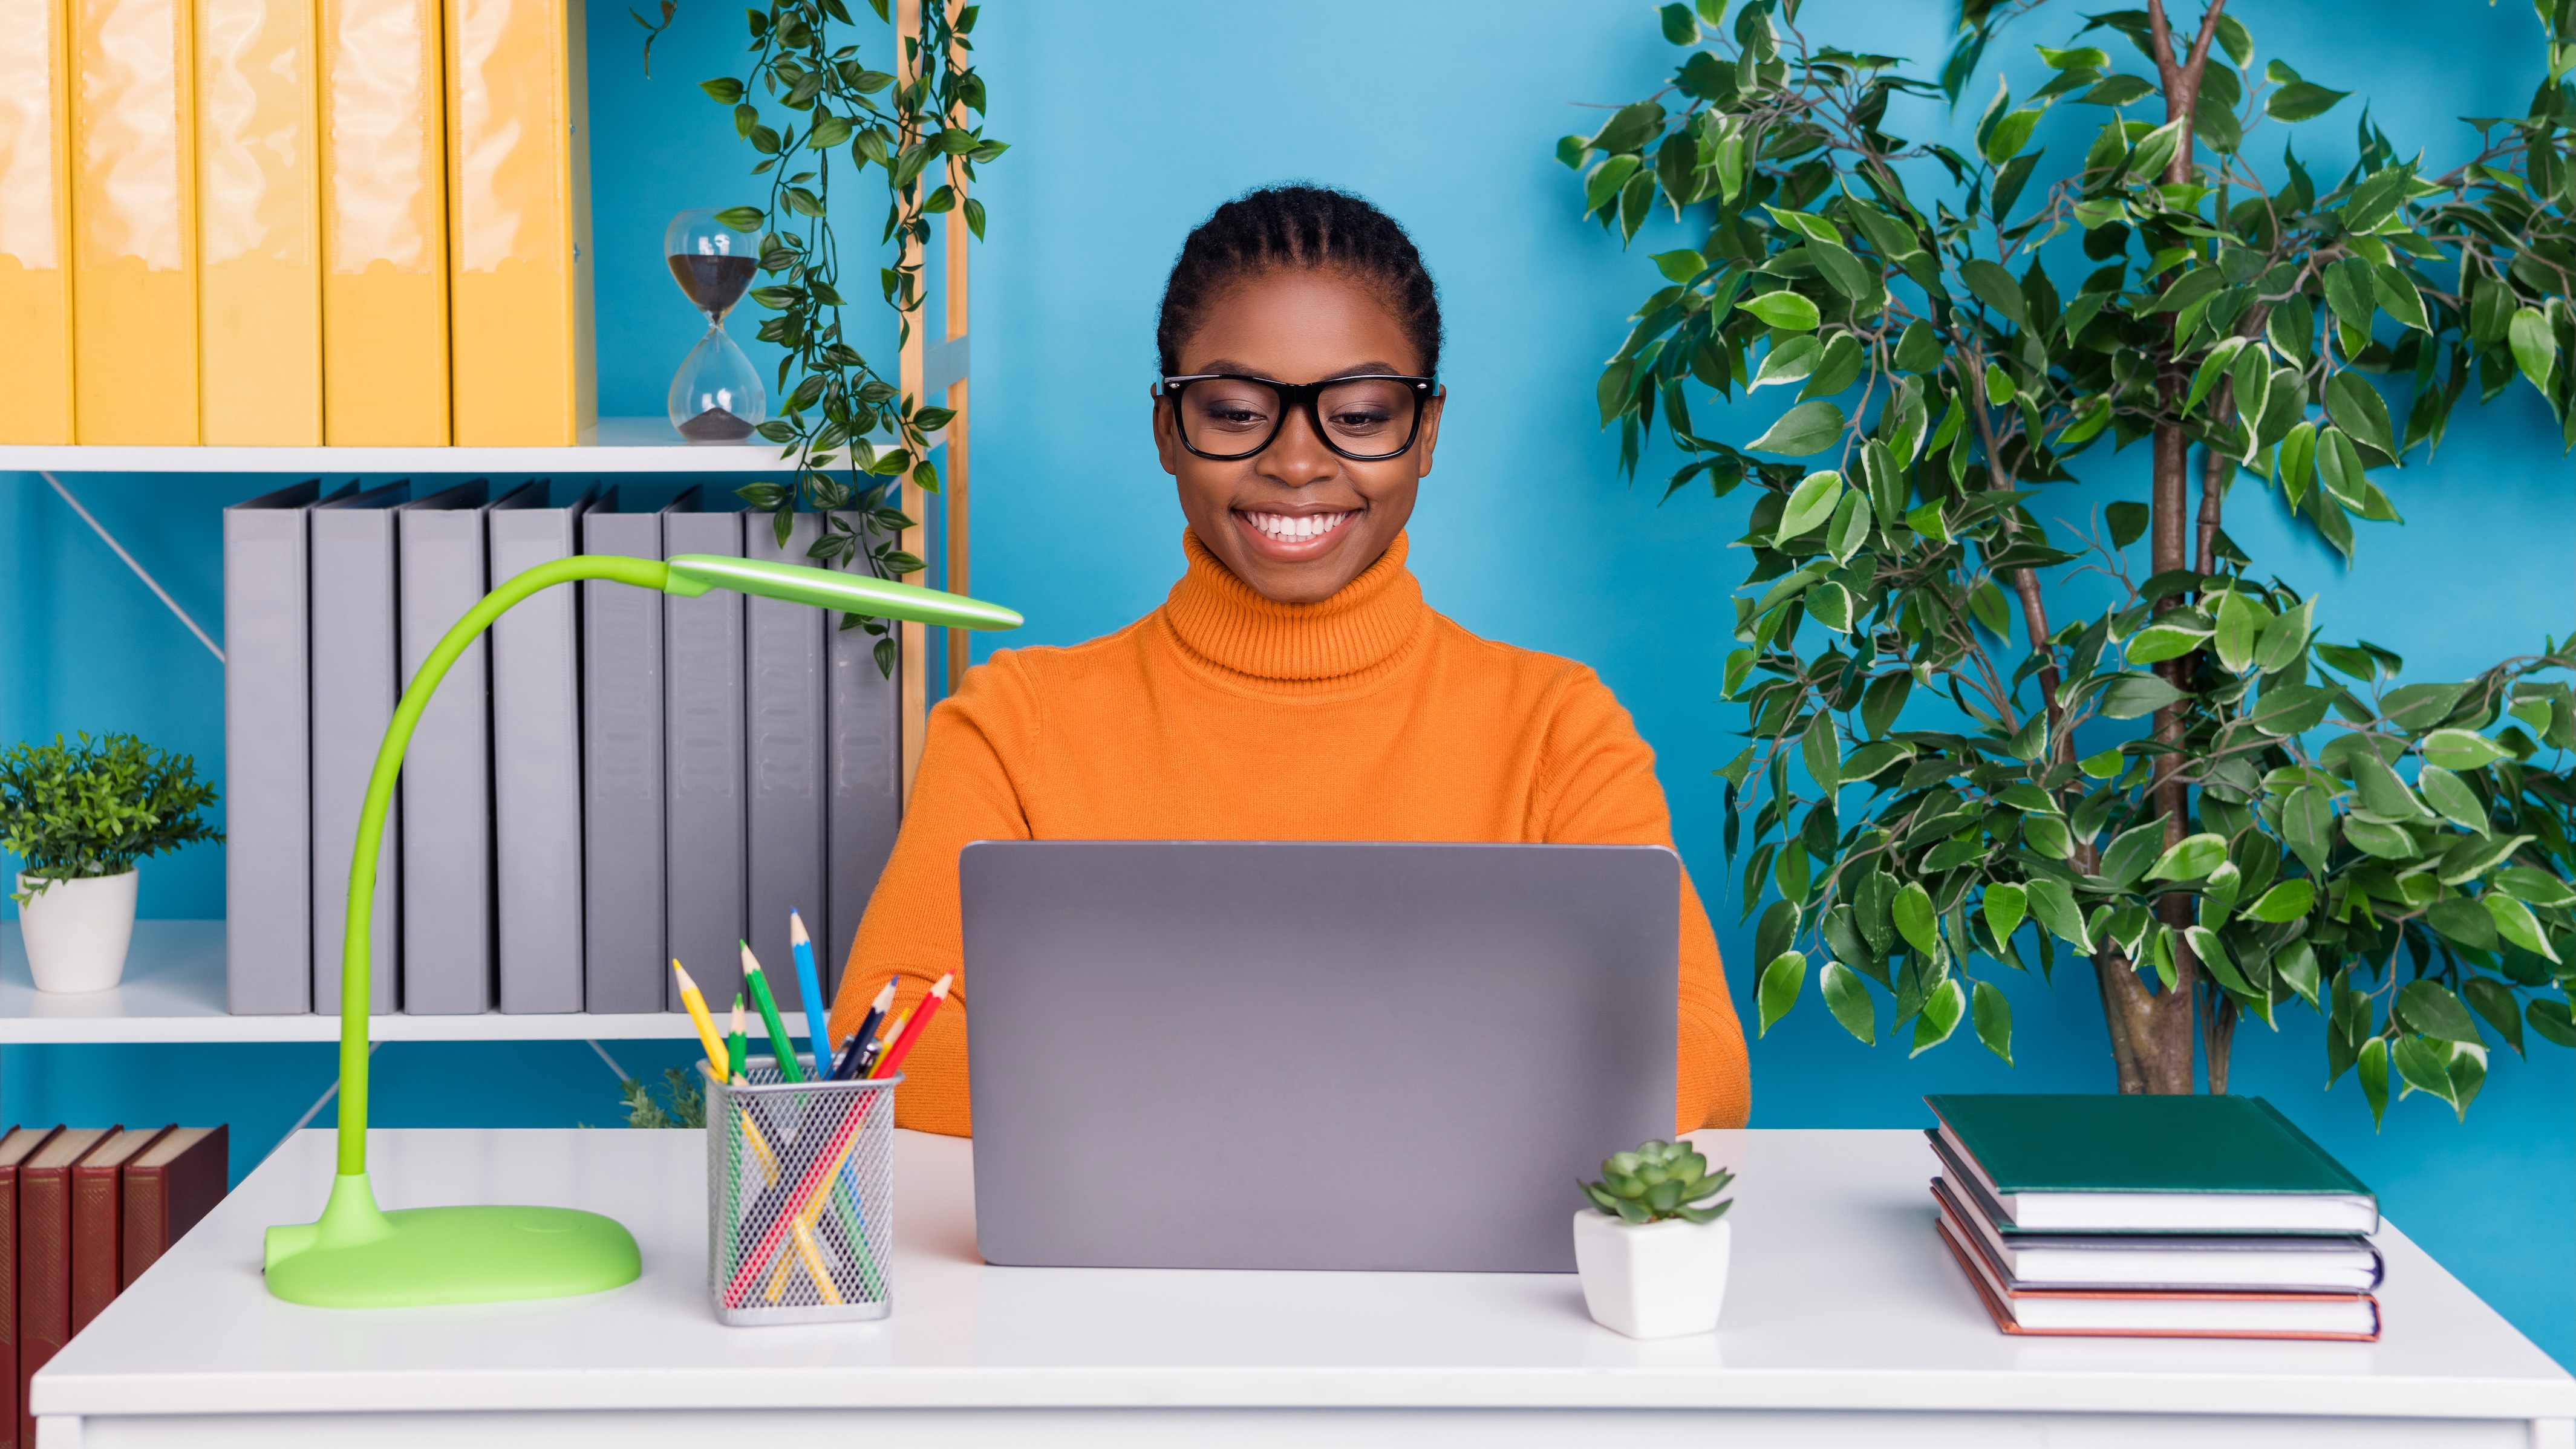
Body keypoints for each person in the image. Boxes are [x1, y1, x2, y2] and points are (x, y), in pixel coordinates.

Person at [830, 183, 1750, 1135]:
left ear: (1424, 433)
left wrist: (1191, 1101)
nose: (1299, 463)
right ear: (1167, 432)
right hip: (1115, 1276)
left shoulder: (1558, 727)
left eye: (1356, 415)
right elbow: (882, 1039)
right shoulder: (1013, 724)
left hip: (1462, 1280)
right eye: (1235, 412)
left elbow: (1698, 1054)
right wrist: (1348, 1108)